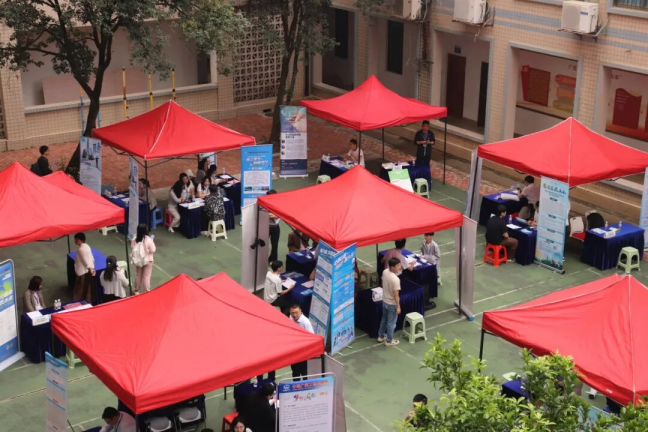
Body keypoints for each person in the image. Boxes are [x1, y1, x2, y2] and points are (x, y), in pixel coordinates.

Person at [378, 257, 402, 346]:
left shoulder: (385, 272)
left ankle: (380, 336)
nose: (399, 267)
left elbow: (382, 283)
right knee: (391, 323)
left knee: (384, 319)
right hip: (392, 304)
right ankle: (389, 341)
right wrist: (398, 306)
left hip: (384, 301)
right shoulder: (396, 280)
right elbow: (396, 295)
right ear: (392, 267)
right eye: (397, 266)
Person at [289, 304, 314, 380]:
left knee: (304, 372)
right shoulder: (290, 318)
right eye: (292, 313)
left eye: (296, 312)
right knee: (295, 372)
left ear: (300, 311)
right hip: (294, 351)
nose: (294, 315)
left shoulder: (305, 322)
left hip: (303, 352)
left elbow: (312, 337)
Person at [131, 224, 156, 293]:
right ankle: (147, 291)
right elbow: (153, 250)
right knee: (146, 276)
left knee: (138, 275)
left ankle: (136, 290)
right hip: (148, 260)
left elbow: (132, 247)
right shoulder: (149, 239)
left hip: (138, 260)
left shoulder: (134, 238)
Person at [73, 232, 95, 302]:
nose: (75, 241)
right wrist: (92, 269)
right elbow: (92, 258)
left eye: (77, 239)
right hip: (88, 271)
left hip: (82, 272)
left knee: (79, 290)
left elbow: (85, 262)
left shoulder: (80, 250)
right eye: (75, 239)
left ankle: (78, 303)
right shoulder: (87, 246)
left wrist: (90, 269)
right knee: (87, 290)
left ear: (81, 240)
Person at [266, 189, 281, 263]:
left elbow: (278, 215)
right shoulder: (265, 204)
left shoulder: (278, 204)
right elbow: (263, 214)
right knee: (264, 244)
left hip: (275, 227)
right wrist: (272, 214)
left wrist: (269, 215)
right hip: (266, 227)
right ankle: (262, 258)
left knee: (274, 245)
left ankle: (273, 259)